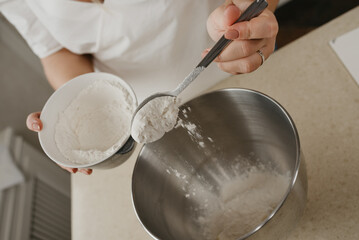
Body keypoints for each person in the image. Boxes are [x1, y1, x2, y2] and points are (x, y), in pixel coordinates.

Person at [0, 0, 279, 175]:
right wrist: (71, 113)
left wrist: (251, 17)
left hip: (237, 69)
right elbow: (54, 51)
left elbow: (252, 5)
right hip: (145, 119)